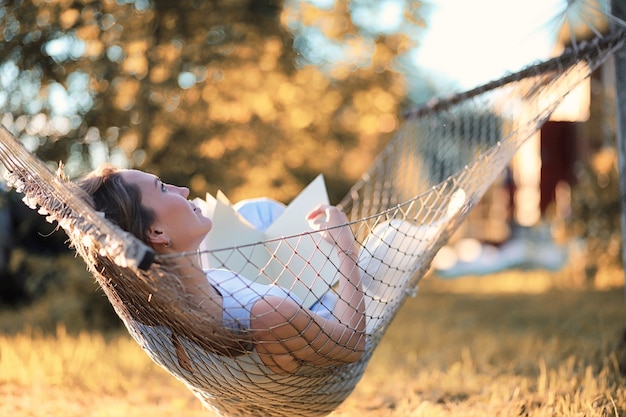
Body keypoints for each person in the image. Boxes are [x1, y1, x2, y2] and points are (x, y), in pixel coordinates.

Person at [76, 164, 366, 375]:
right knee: (392, 234)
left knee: (255, 211)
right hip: (332, 316)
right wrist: (345, 246)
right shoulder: (267, 313)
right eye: (164, 188)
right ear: (156, 232)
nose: (184, 190)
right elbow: (352, 344)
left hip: (264, 306)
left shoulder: (154, 320)